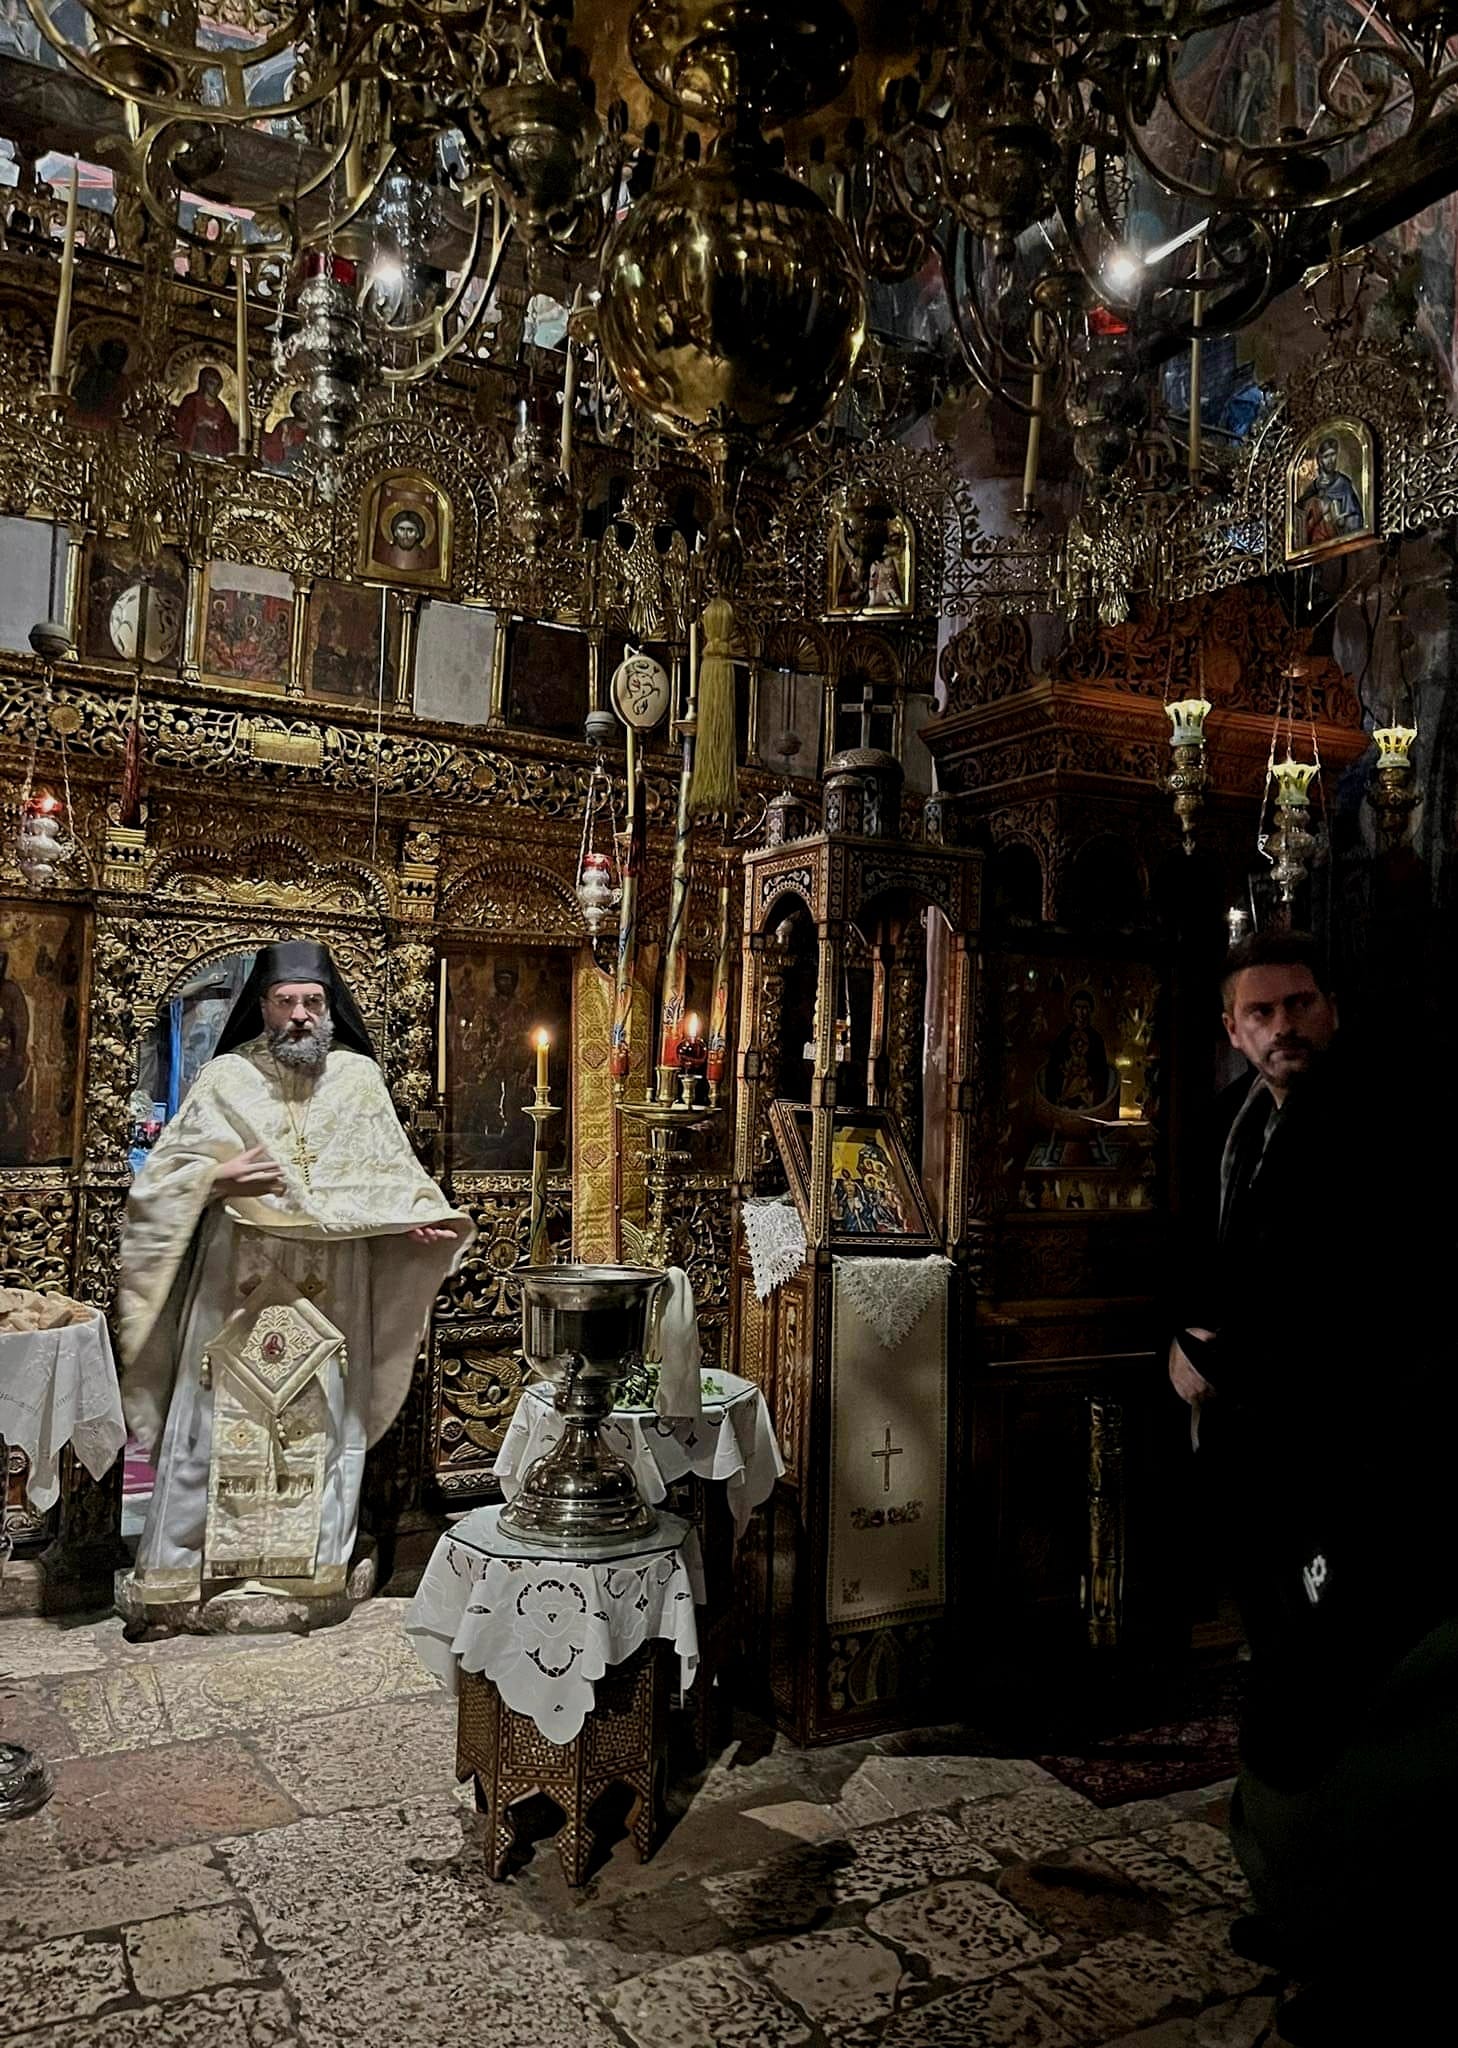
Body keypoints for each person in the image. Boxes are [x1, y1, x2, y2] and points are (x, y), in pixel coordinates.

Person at [1169, 929, 1453, 2039]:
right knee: (1285, 1674)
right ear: (1233, 1031)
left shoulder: (1382, 1122)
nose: (1283, 1026)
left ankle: (1358, 1948)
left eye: (1300, 1005)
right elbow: (1215, 1257)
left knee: (1348, 1703)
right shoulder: (1235, 1121)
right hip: (1263, 1456)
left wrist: (1227, 1358)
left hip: (1358, 1460)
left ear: (1332, 1008)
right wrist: (1185, 1339)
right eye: (1262, 1012)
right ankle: (1301, 1906)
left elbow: (1354, 1304)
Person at [117, 941, 473, 1623]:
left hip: (331, 1290)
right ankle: (188, 1573)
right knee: (214, 1423)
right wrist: (216, 1178)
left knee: (322, 1421)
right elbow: (159, 1184)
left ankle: (309, 1573)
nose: (301, 1015)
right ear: (263, 1007)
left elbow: (389, 1175)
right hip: (236, 1284)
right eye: (287, 1002)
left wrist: (411, 1223)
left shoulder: (358, 1079)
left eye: (313, 1001)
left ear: (330, 1008)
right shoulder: (225, 1078)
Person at [1296, 436, 1363, 549]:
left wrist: (1343, 521)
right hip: (1316, 545)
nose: (1331, 460)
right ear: (1319, 460)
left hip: (1340, 543)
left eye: (1333, 454)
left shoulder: (1343, 484)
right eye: (1326, 456)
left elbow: (1355, 516)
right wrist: (1317, 507)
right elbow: (1300, 512)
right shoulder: (1314, 486)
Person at [173, 365, 237, 460]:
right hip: (194, 449)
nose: (215, 388)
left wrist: (218, 429)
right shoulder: (192, 401)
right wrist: (200, 424)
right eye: (211, 383)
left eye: (218, 385)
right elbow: (182, 424)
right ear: (204, 383)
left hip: (215, 452)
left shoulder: (221, 407)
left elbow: (228, 431)